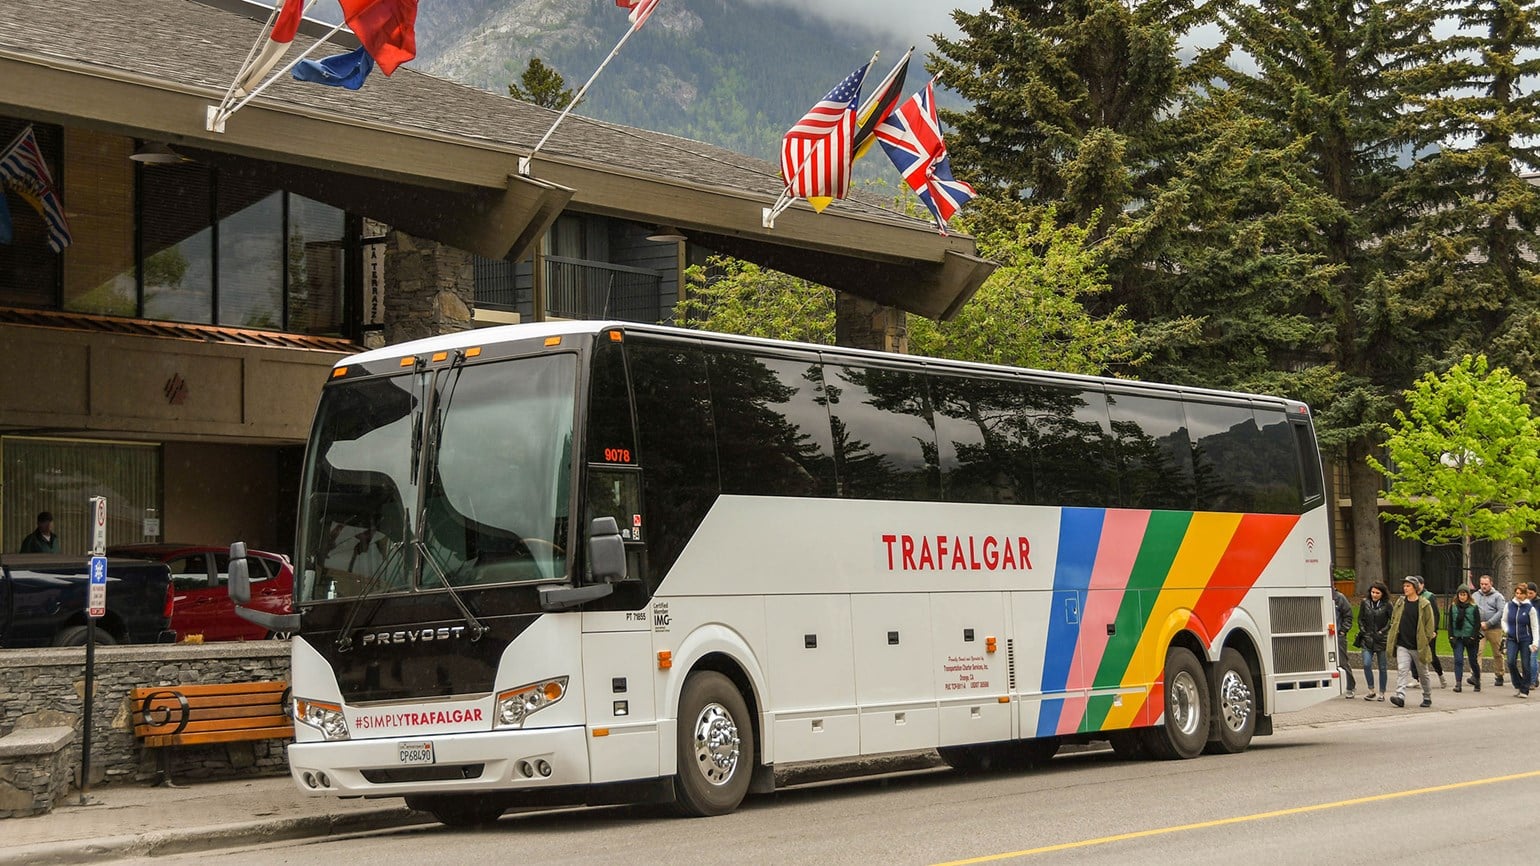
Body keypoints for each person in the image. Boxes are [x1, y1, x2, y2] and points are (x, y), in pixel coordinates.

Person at [1387, 576, 1435, 708]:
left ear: (1415, 588)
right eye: (1404, 586)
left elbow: (1429, 625)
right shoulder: (1400, 602)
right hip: (1402, 644)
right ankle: (1400, 696)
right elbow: (1394, 618)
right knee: (1402, 670)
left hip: (1418, 646)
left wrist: (1426, 639)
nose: (1405, 588)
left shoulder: (1424, 604)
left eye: (1408, 586)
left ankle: (1427, 696)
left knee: (1423, 673)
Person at [1357, 582, 1392, 701]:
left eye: (1377, 593)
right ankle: (1371, 690)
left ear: (1382, 594)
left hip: (1381, 639)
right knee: (1366, 664)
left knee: (1382, 667)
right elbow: (1360, 619)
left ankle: (1382, 692)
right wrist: (1363, 631)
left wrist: (1382, 631)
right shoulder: (1365, 602)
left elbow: (1392, 620)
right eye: (1373, 592)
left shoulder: (1387, 604)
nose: (1374, 595)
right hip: (1367, 639)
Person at [1501, 582, 1537, 698]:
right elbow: (1503, 620)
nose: (1518, 595)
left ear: (1525, 595)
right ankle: (1518, 683)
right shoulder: (1509, 605)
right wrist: (1507, 630)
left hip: (1525, 639)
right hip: (1512, 638)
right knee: (1511, 662)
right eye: (1516, 593)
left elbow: (1534, 627)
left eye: (1521, 593)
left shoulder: (1530, 609)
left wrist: (1535, 642)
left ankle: (1524, 689)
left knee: (1526, 664)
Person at [1411, 576, 1446, 688]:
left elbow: (1435, 615)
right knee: (1413, 653)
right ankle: (1415, 678)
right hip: (1415, 630)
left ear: (1422, 584)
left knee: (1431, 655)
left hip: (1428, 631)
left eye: (1418, 584)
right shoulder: (1412, 596)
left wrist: (1434, 630)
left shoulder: (1429, 596)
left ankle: (1441, 675)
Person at [1472, 574, 1506, 689]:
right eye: (1482, 584)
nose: (1484, 586)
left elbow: (1500, 612)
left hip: (1494, 628)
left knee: (1497, 653)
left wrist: (1489, 623)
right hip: (1479, 629)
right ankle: (1476, 675)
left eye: (1486, 584)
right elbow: (1472, 609)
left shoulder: (1498, 597)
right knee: (1477, 652)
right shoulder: (1475, 595)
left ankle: (1499, 675)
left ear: (1491, 583)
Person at [1447, 584, 1482, 692]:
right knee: (1458, 660)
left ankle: (1477, 679)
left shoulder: (1473, 607)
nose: (1462, 597)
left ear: (1468, 595)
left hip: (1470, 637)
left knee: (1473, 660)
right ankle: (1458, 683)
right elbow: (1450, 623)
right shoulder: (1453, 607)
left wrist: (1473, 637)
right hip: (1458, 637)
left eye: (1464, 594)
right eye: (1460, 594)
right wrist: (1451, 636)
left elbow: (1477, 624)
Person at [1334, 587, 1358, 698]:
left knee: (1342, 661)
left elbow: (1348, 615)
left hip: (1338, 635)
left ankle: (1350, 686)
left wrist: (1343, 631)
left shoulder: (1339, 598)